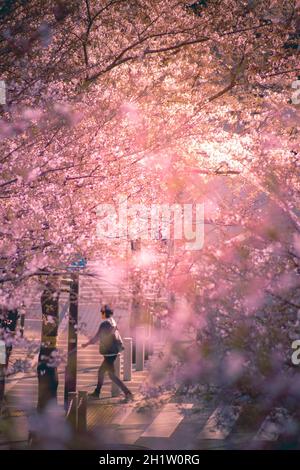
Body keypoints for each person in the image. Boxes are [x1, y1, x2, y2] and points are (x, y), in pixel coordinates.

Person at [82, 305, 133, 401]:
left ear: (105, 313)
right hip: (113, 351)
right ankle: (97, 393)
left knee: (109, 374)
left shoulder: (105, 324)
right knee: (105, 373)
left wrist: (86, 344)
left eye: (102, 312)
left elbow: (97, 337)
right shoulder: (112, 321)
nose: (101, 314)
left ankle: (127, 393)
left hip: (109, 352)